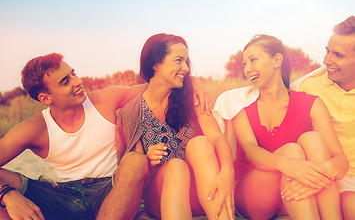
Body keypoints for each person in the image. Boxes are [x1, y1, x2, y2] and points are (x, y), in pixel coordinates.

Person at [0, 53, 210, 220]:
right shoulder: (35, 128)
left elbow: (158, 87)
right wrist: (7, 194)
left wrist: (193, 82)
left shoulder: (104, 100)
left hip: (112, 190)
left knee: (136, 161)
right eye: (65, 81)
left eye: (73, 73)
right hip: (62, 197)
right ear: (46, 98)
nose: (77, 81)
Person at [222, 34, 348, 219]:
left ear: (277, 60)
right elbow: (251, 151)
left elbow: (340, 161)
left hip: (294, 190)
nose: (248, 69)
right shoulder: (240, 105)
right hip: (254, 195)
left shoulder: (311, 104)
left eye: (253, 60)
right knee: (292, 151)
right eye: (244, 64)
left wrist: (320, 173)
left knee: (312, 139)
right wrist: (289, 165)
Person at [115, 33, 235, 220]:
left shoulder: (191, 96)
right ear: (155, 63)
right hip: (159, 196)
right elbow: (133, 171)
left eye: (187, 62)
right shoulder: (132, 111)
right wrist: (147, 159)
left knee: (201, 143)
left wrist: (227, 171)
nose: (186, 68)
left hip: (199, 194)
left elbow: (217, 137)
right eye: (179, 60)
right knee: (177, 166)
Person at [291, 15, 355, 220]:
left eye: (338, 55)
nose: (327, 61)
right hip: (337, 178)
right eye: (327, 51)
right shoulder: (309, 88)